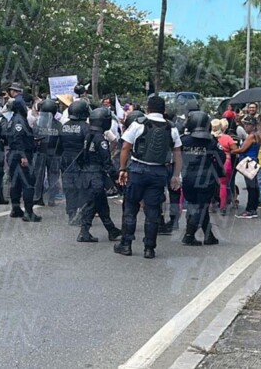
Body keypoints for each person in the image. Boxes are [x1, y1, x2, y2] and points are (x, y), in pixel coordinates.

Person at [115, 95, 182, 259]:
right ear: (163, 110)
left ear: (148, 109)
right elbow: (178, 154)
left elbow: (125, 147)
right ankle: (149, 248)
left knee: (130, 207)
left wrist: (123, 169)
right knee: (153, 211)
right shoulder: (171, 128)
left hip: (137, 170)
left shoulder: (138, 124)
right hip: (159, 172)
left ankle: (126, 245)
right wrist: (176, 175)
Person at [74, 107, 122, 242]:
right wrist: (116, 177)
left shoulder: (88, 135)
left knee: (101, 204)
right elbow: (107, 161)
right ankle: (84, 232)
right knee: (92, 204)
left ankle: (111, 230)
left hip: (88, 174)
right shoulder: (100, 139)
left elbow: (81, 157)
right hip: (96, 176)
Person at [180, 112, 224, 246]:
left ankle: (209, 236)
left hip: (187, 177)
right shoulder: (211, 141)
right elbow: (221, 158)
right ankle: (189, 235)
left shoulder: (183, 140)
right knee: (201, 206)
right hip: (205, 177)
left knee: (196, 205)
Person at [6, 96, 41, 222]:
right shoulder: (19, 120)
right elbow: (18, 139)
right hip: (21, 155)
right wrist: (23, 156)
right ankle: (28, 212)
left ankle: (16, 209)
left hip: (14, 155)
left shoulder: (13, 119)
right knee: (28, 183)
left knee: (16, 183)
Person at [57, 100, 91, 224]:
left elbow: (58, 146)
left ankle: (71, 212)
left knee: (69, 187)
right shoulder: (86, 127)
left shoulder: (64, 125)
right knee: (82, 187)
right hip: (80, 160)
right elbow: (88, 147)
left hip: (65, 160)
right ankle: (80, 213)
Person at [32, 98, 62, 207]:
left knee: (38, 175)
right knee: (53, 176)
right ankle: (51, 199)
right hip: (54, 154)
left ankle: (37, 197)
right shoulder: (59, 125)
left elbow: (34, 138)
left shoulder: (38, 124)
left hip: (41, 152)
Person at [232, 118, 261, 219]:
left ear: (253, 126)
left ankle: (250, 209)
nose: (246, 127)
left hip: (248, 162)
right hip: (254, 160)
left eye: (248, 125)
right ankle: (253, 207)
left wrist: (232, 151)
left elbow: (242, 149)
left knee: (251, 186)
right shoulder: (258, 136)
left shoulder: (251, 137)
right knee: (254, 185)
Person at [213, 119, 237, 215]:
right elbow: (235, 149)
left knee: (211, 184)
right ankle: (223, 206)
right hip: (226, 162)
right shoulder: (227, 138)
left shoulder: (209, 138)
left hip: (212, 162)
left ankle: (211, 205)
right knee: (223, 185)